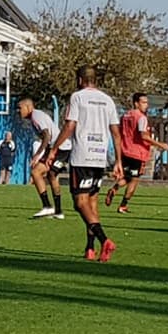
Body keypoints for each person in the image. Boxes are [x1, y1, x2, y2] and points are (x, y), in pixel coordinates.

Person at [47, 65, 122, 262]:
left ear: (80, 80)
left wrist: (54, 149)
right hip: (100, 158)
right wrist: (118, 161)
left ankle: (104, 240)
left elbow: (70, 125)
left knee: (80, 203)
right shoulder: (108, 100)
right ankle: (90, 248)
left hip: (82, 156)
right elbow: (115, 132)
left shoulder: (77, 97)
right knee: (92, 202)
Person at [105, 93, 168, 213]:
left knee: (128, 177)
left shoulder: (125, 116)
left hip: (125, 151)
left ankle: (114, 188)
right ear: (136, 103)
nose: (146, 105)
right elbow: (143, 136)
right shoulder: (141, 118)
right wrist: (160, 144)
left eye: (147, 102)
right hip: (137, 153)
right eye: (143, 102)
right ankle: (123, 205)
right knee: (134, 180)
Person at [18, 98, 72, 219]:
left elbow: (47, 136)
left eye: (20, 108)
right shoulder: (34, 118)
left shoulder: (36, 116)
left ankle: (50, 207)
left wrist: (37, 155)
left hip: (62, 148)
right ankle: (54, 210)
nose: (18, 111)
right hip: (54, 148)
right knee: (44, 174)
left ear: (28, 107)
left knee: (43, 173)